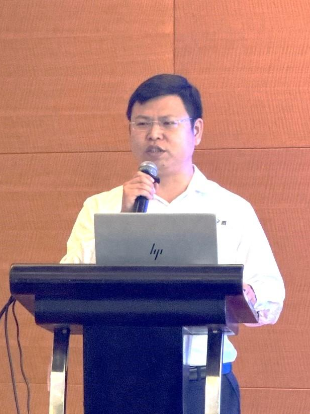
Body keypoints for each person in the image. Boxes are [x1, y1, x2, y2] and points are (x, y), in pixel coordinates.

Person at [61, 74, 285, 414]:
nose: (154, 134)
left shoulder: (231, 209)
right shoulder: (100, 207)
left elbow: (271, 296)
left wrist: (245, 295)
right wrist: (122, 221)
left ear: (196, 131)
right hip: (121, 384)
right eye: (142, 123)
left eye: (168, 123)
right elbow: (66, 288)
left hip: (204, 384)